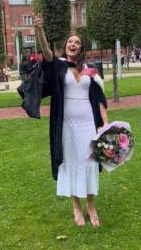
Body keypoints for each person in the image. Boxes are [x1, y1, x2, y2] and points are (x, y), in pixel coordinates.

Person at [34, 15, 109, 228]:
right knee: (71, 163)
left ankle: (91, 206)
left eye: (76, 42)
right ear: (65, 47)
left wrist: (105, 123)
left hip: (87, 124)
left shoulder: (90, 70)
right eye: (70, 42)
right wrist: (39, 30)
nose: (73, 45)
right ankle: (76, 206)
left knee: (90, 162)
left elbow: (99, 99)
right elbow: (47, 53)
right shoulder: (58, 66)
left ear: (81, 47)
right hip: (66, 126)